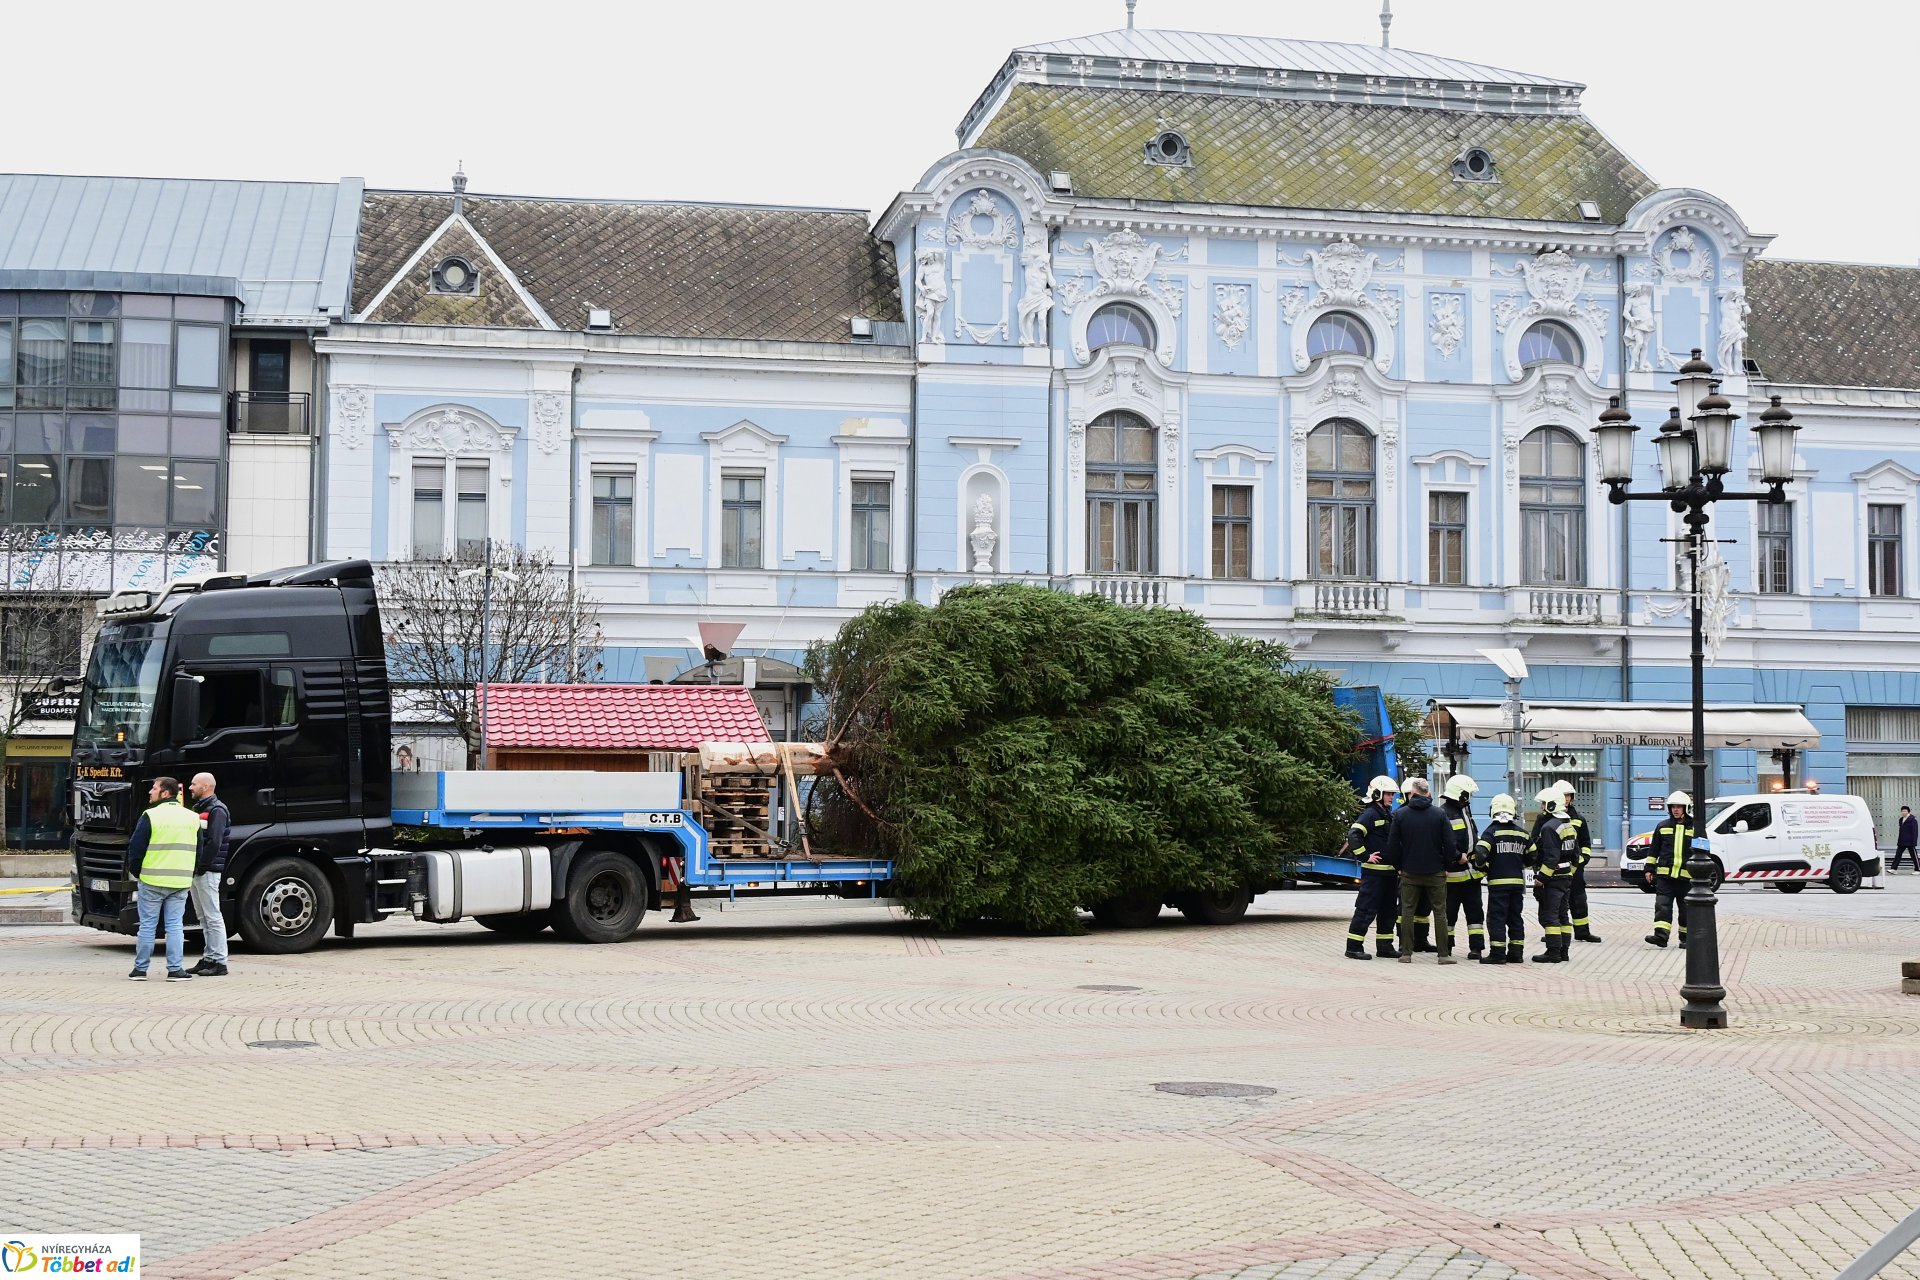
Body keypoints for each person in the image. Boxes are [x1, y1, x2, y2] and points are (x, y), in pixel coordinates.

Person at [125, 777, 201, 981]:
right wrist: (190, 872)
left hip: (152, 880)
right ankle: (175, 970)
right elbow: (199, 851)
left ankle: (140, 970)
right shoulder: (192, 817)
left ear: (165, 793)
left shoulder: (150, 815)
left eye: (154, 788)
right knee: (175, 926)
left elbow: (136, 848)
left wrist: (137, 872)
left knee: (147, 926)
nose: (150, 792)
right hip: (180, 882)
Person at [1384, 777, 1463, 965]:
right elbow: (1450, 844)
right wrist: (1446, 866)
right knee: (1440, 912)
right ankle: (1443, 955)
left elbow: (1392, 845)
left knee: (1407, 912)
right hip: (1436, 872)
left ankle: (1406, 954)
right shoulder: (1439, 814)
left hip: (1409, 872)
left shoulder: (1400, 815)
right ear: (1428, 793)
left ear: (1412, 794)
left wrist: (1399, 867)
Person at [1341, 776, 1402, 960]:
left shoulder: (1387, 814)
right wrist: (1365, 856)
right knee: (1366, 910)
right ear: (1377, 794)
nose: (1391, 797)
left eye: (1392, 794)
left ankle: (1385, 946)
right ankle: (1353, 947)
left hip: (1389, 874)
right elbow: (1354, 835)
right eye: (1388, 794)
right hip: (1374, 875)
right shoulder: (1370, 814)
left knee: (1388, 912)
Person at [1472, 793, 1530, 964]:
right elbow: (1533, 855)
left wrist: (1483, 867)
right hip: (1517, 884)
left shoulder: (1491, 832)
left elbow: (1480, 853)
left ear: (1493, 810)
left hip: (1498, 884)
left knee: (1497, 918)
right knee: (1515, 918)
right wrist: (1520, 862)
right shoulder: (1522, 833)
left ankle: (1497, 954)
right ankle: (1516, 953)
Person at [1527, 785, 1577, 963]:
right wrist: (1568, 873)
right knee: (1563, 915)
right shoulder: (1568, 825)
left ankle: (1553, 952)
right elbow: (1576, 855)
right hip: (1566, 877)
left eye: (1543, 804)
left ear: (1551, 805)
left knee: (1550, 916)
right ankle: (1564, 952)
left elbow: (1551, 857)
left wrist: (1541, 878)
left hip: (1553, 879)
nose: (1541, 807)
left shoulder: (1549, 827)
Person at [188, 772, 231, 976]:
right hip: (200, 870)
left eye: (194, 784)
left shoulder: (217, 810)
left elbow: (214, 841)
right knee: (204, 917)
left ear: (205, 787)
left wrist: (202, 866)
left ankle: (219, 961)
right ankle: (209, 958)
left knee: (212, 916)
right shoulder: (202, 809)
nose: (190, 787)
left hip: (207, 870)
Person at [1439, 774, 1485, 957]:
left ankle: (1476, 948)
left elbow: (1471, 836)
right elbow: (1443, 843)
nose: (1469, 798)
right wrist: (1457, 856)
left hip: (1472, 873)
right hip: (1453, 874)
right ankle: (1446, 947)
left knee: (1475, 914)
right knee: (1449, 914)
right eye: (1468, 794)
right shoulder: (1444, 813)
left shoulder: (1464, 810)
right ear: (1461, 794)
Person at [1643, 791, 1695, 948]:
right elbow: (1654, 850)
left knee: (1686, 910)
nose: (1675, 810)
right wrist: (1649, 869)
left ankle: (1686, 939)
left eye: (1679, 807)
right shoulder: (1662, 826)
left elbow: (1704, 851)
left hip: (1686, 878)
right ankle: (1661, 936)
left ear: (1686, 808)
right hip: (1665, 877)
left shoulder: (1695, 828)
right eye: (1673, 807)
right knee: (1662, 906)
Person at [1554, 779, 1602, 944]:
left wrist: (1581, 861)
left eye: (1568, 796)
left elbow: (1585, 844)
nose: (1566, 799)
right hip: (1556, 868)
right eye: (1563, 795)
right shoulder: (1546, 819)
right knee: (1556, 902)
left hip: (1575, 869)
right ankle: (1554, 932)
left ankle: (1582, 932)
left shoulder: (1579, 819)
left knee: (1579, 901)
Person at [1895, 805, 1918, 873]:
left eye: (1905, 811)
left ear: (1908, 812)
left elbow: (1915, 832)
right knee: (1897, 855)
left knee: (1914, 856)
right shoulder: (1901, 820)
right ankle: (1893, 869)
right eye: (1902, 811)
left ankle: (1918, 869)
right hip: (1901, 841)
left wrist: (1914, 842)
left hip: (1910, 842)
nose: (1903, 812)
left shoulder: (1913, 820)